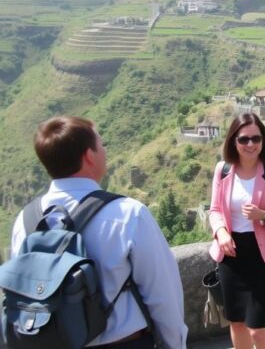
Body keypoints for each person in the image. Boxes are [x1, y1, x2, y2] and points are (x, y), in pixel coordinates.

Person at [10, 116, 187, 348]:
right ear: (89, 156)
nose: (105, 150)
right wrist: (175, 343)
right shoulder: (128, 214)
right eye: (101, 144)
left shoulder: (24, 221)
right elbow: (163, 295)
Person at [208, 113, 265, 349]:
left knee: (258, 329)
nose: (250, 145)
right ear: (233, 141)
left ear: (263, 140)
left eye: (256, 139)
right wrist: (221, 232)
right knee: (236, 323)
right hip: (232, 256)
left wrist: (264, 215)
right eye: (244, 139)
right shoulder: (223, 170)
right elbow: (215, 209)